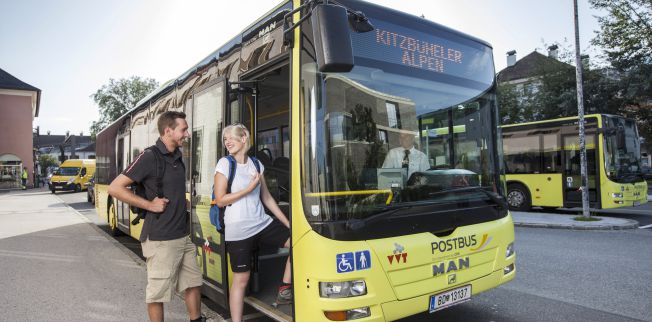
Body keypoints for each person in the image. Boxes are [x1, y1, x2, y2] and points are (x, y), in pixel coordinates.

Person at [108, 111, 205, 322]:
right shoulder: (150, 156)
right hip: (161, 239)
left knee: (193, 283)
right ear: (168, 130)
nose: (187, 134)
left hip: (182, 235)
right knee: (157, 294)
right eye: (183, 129)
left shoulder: (178, 157)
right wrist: (149, 205)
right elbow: (115, 188)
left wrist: (182, 201)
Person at [213, 124, 291, 322]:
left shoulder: (256, 164)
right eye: (225, 139)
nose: (227, 142)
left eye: (231, 138)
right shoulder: (224, 164)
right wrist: (248, 188)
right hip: (238, 230)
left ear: (244, 139)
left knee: (298, 243)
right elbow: (221, 199)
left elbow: (267, 199)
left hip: (261, 223)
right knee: (241, 280)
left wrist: (288, 224)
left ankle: (284, 288)